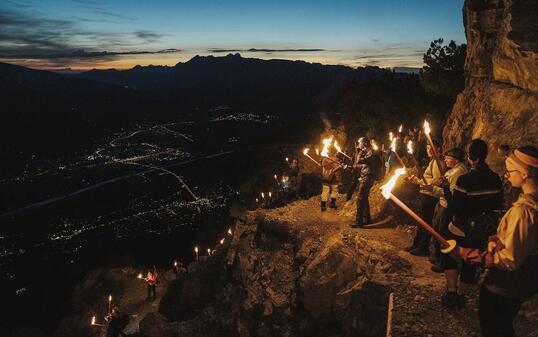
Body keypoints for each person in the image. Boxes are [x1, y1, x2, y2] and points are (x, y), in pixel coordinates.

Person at [448, 146, 538, 337]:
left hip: (505, 287)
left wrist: (465, 254)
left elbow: (509, 260)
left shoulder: (525, 211)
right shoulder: (531, 203)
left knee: (495, 328)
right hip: (520, 285)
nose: (506, 175)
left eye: (510, 170)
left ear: (524, 173)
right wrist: (497, 238)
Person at [443, 139, 503, 309]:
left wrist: (446, 189)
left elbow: (456, 207)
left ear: (471, 157)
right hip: (482, 230)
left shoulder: (465, 180)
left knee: (451, 257)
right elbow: (498, 204)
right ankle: (462, 296)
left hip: (461, 228)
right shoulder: (495, 179)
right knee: (470, 261)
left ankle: (452, 292)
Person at [428, 147, 469, 273]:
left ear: (455, 159)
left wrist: (433, 189)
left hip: (447, 208)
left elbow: (450, 193)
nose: (445, 159)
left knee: (443, 233)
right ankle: (437, 258)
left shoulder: (458, 172)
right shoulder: (454, 170)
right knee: (437, 230)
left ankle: (443, 262)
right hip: (442, 204)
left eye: (448, 157)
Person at [406, 140, 444, 256]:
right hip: (426, 195)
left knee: (425, 222)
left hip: (430, 197)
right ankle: (417, 244)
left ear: (438, 149)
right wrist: (417, 180)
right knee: (421, 221)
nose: (429, 150)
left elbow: (438, 180)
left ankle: (423, 247)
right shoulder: (432, 162)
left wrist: (421, 181)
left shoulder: (438, 163)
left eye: (431, 147)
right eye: (427, 147)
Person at [350, 137, 382, 228]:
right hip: (366, 178)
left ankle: (359, 221)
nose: (361, 148)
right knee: (364, 199)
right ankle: (367, 219)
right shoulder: (370, 154)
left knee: (360, 199)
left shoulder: (371, 154)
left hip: (367, 179)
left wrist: (358, 154)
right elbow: (362, 165)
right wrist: (351, 167)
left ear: (365, 145)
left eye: (361, 147)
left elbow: (359, 161)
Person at [498, 144, 521, 210]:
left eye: (500, 152)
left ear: (504, 150)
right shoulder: (508, 158)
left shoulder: (512, 158)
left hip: (517, 183)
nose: (500, 155)